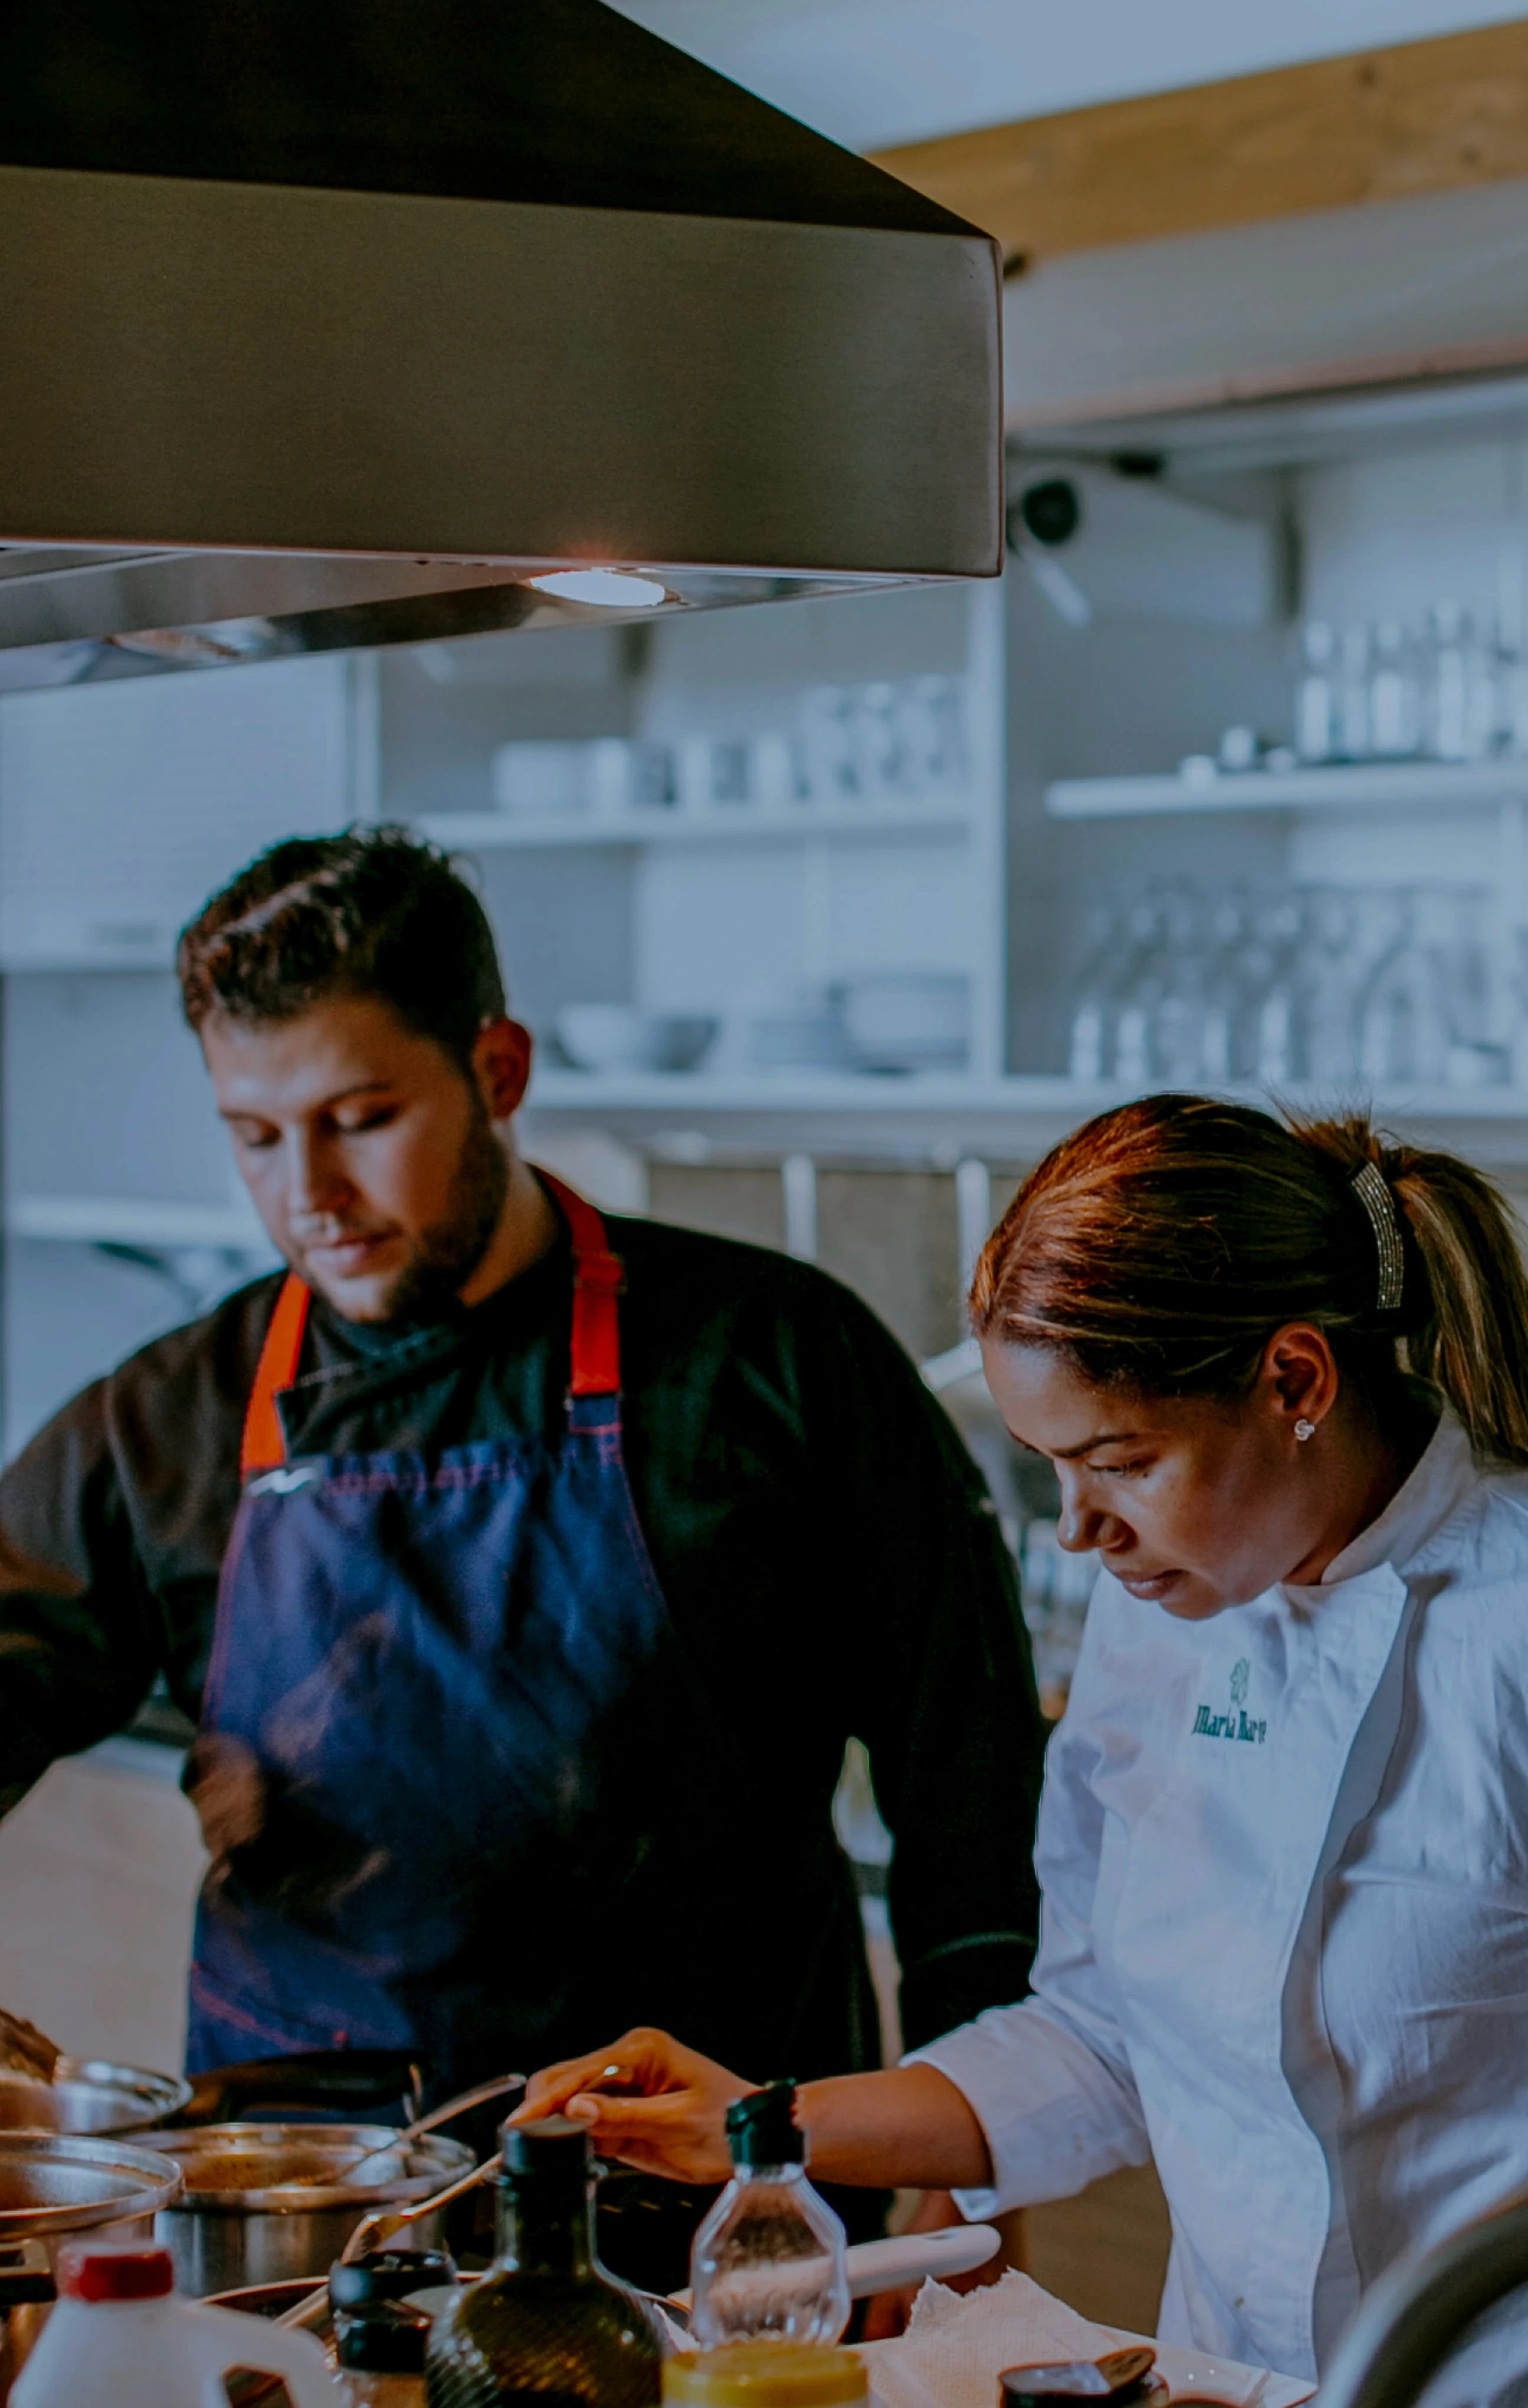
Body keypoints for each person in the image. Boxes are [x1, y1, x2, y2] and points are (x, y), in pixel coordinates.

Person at [524, 1095, 1528, 2408]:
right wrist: (768, 2124)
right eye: (1053, 1467)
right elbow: (1106, 2041)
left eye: (1121, 1460)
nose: (1080, 1527)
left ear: (1294, 1376)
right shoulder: (1171, 1608)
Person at [0, 829, 1042, 2273]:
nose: (308, 1190)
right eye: (254, 1134)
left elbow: (970, 1770)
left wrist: (963, 2128)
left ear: (498, 1071)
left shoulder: (771, 1359)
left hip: (707, 2193)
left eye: (360, 1116)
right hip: (312, 2214)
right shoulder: (166, 1419)